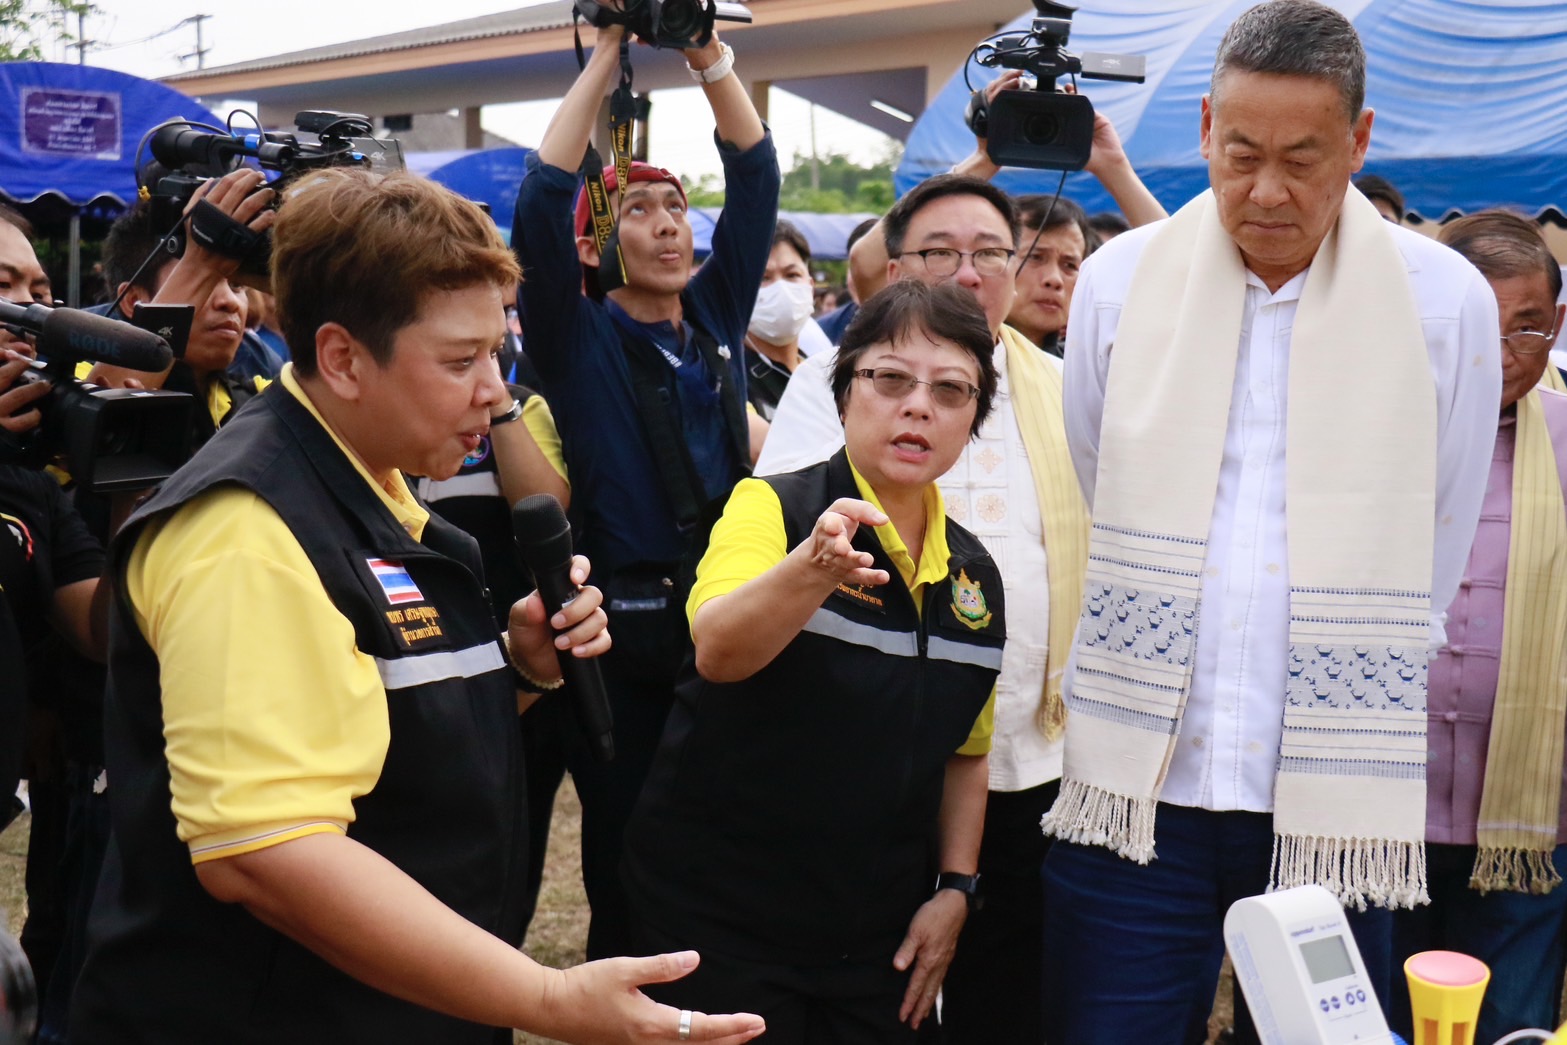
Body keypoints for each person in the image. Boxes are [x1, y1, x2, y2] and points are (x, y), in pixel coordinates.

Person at [69, 168, 765, 1045]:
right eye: (460, 361)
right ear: (342, 358)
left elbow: (372, 735)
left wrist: (515, 670)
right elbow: (266, 853)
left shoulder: (376, 488)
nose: (495, 391)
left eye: (498, 353)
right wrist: (546, 998)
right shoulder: (247, 529)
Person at [1047, 3, 1501, 1043]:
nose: (1265, 191)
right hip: (1141, 781)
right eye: (1241, 153)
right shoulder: (1118, 282)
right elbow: (1100, 477)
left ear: (1359, 140)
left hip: (1329, 792)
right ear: (1205, 126)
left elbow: (1438, 528)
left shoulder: (1443, 300)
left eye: (1302, 160)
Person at [623, 279, 1003, 1042]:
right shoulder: (773, 507)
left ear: (973, 418)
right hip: (720, 918)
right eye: (889, 379)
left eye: (949, 390)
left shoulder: (973, 575)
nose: (917, 406)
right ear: (843, 394)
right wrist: (811, 570)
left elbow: (965, 751)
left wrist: (955, 886)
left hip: (875, 937)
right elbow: (718, 650)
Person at [512, 13, 778, 961]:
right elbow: (542, 201)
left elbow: (755, 175)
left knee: (729, 837)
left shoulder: (712, 318)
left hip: (727, 613)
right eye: (638, 210)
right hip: (622, 632)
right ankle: (626, 999)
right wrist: (603, 59)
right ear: (594, 246)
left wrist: (704, 53)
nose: (668, 225)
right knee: (629, 850)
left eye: (676, 208)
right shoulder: (574, 337)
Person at [1386, 210, 1567, 1045]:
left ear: (1555, 324)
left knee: (1506, 1027)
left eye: (1524, 327)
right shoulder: (1368, 435)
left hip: (1530, 818)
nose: (1500, 353)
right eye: (1475, 325)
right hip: (1380, 815)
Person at [745, 219, 817, 420]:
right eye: (764, 278)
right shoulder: (730, 379)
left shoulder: (822, 374)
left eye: (792, 275)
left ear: (810, 286)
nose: (781, 288)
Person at [1005, 193, 1094, 357]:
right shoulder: (962, 356)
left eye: (1070, 265)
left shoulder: (1082, 366)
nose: (1054, 279)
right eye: (1035, 257)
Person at [817, 217, 882, 345]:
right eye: (854, 266)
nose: (861, 277)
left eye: (871, 266)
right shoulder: (825, 331)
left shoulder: (917, 327)